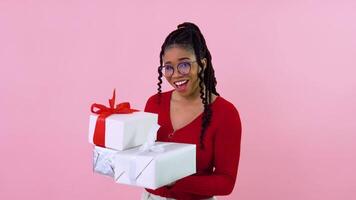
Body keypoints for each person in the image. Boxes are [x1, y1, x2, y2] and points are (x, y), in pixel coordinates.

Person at [142, 22, 242, 200]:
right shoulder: (154, 104)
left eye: (184, 65)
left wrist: (178, 181)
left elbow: (226, 182)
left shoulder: (226, 114)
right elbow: (140, 154)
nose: (175, 74)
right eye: (168, 67)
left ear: (202, 64)